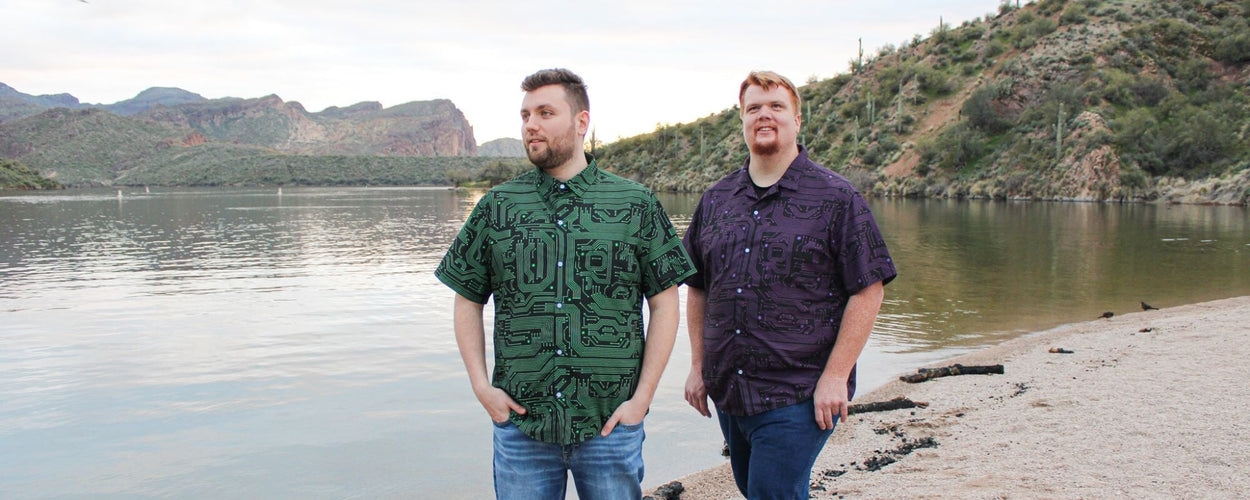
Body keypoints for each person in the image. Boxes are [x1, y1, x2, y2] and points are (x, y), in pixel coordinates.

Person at [435, 68, 695, 500]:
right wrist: (481, 387)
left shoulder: (635, 204)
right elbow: (467, 299)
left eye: (545, 113)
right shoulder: (497, 207)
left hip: (611, 425)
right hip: (521, 427)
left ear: (580, 122)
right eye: (525, 115)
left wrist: (642, 399)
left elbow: (666, 304)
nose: (530, 125)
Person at [681, 71, 897, 499]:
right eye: (754, 108)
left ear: (796, 120)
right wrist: (697, 365)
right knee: (754, 488)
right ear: (742, 121)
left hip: (799, 391)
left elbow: (868, 289)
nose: (764, 115)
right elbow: (699, 287)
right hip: (731, 390)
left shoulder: (837, 198)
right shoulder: (717, 199)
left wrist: (836, 377)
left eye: (776, 106)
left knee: (770, 491)